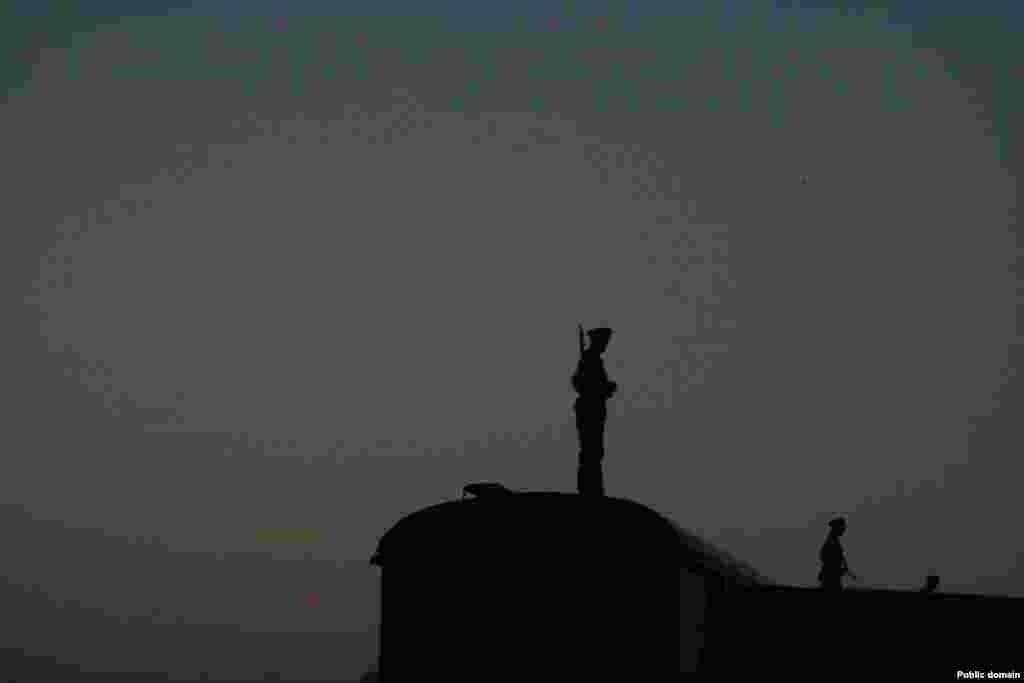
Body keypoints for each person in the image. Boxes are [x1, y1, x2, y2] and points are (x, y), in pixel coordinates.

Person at [571, 326, 618, 496]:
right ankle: (589, 487)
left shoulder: (592, 359)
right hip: (590, 409)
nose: (606, 345)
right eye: (604, 341)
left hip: (593, 409)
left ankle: (591, 486)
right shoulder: (590, 359)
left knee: (594, 449)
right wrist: (605, 388)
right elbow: (581, 383)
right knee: (591, 449)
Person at [818, 517, 856, 591]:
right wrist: (837, 569)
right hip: (831, 577)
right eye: (842, 527)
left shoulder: (833, 540)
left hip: (832, 575)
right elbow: (825, 558)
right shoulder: (831, 541)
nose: (843, 530)